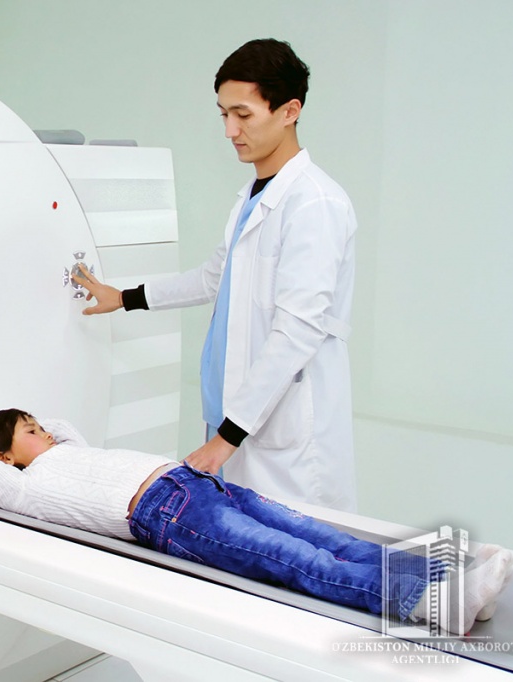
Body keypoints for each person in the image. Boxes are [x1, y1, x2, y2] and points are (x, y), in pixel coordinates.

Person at [73, 38, 357, 511]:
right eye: (224, 114)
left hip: (271, 430)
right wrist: (123, 297)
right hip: (231, 413)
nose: (229, 130)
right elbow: (213, 278)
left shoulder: (315, 204)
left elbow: (298, 331)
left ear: (289, 111)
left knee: (294, 542)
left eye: (243, 115)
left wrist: (227, 438)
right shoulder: (255, 193)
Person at [0, 410, 513, 635]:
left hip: (195, 482)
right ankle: (432, 603)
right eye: (30, 431)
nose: (44, 430)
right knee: (299, 560)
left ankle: (449, 582)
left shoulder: (67, 449)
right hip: (168, 515)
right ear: (4, 457)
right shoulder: (24, 487)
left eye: (38, 423)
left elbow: (67, 427)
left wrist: (26, 423)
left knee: (326, 538)